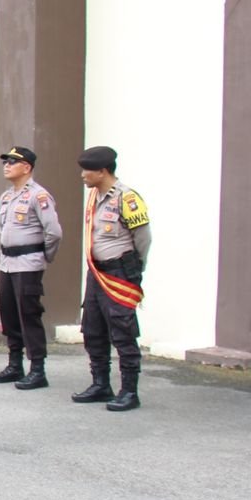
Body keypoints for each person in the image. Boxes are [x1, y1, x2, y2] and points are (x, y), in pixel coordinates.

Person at [75, 145, 153, 412]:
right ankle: (100, 384)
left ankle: (129, 391)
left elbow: (143, 239)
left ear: (102, 171)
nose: (83, 175)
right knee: (93, 330)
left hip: (119, 274)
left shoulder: (127, 198)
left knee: (123, 331)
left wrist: (134, 269)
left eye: (87, 170)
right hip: (96, 274)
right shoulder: (94, 198)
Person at [0, 146, 62, 390]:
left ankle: (38, 369)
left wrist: (43, 257)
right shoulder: (7, 196)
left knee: (29, 315)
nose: (6, 165)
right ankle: (14, 364)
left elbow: (54, 233)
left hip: (28, 263)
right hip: (8, 264)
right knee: (8, 312)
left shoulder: (39, 196)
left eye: (13, 161)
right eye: (5, 162)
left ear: (27, 167)